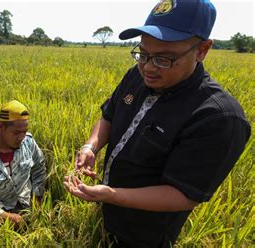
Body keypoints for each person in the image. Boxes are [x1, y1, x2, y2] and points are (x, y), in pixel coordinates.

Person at [64, 1, 251, 247]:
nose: (148, 68)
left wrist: (111, 194)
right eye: (143, 53)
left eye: (164, 59)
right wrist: (91, 146)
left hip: (146, 233)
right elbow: (109, 115)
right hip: (107, 207)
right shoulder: (136, 75)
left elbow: (184, 195)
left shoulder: (218, 117)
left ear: (202, 50)